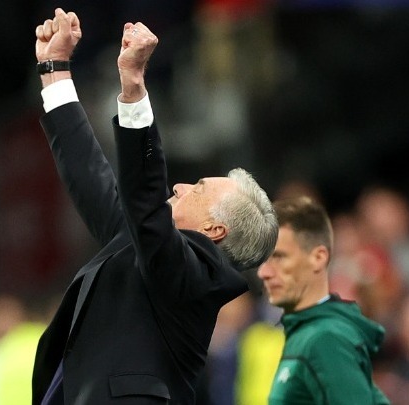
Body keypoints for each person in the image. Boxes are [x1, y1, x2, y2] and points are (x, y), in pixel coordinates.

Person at [31, 8, 278, 405]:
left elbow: (145, 202)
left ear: (214, 230)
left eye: (198, 188)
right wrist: (55, 68)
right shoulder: (147, 248)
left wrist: (133, 86)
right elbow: (88, 174)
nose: (180, 186)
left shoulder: (198, 278)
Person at [257, 196, 391, 404]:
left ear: (318, 258)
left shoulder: (326, 339)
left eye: (279, 257)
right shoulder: (307, 334)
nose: (263, 272)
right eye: (264, 259)